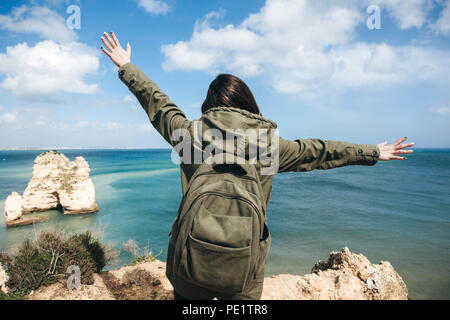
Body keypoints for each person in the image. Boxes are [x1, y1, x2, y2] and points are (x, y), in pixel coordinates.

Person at [100, 32, 414, 300]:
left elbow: (157, 103)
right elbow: (319, 152)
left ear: (209, 106)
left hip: (188, 268)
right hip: (244, 273)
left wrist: (126, 66)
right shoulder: (269, 145)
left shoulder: (190, 135)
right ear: (249, 104)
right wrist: (371, 152)